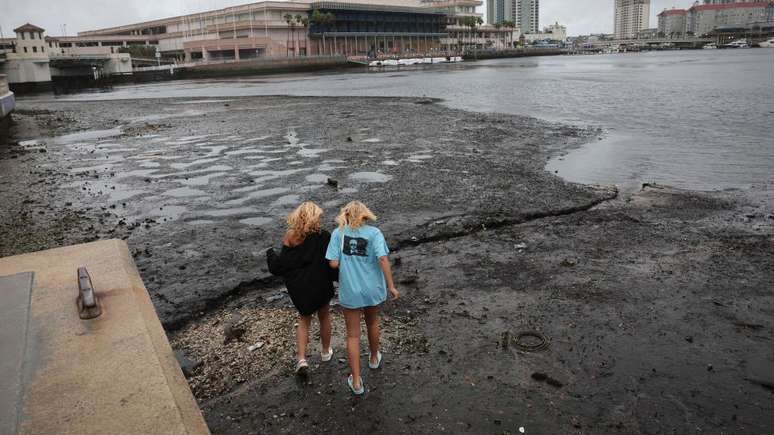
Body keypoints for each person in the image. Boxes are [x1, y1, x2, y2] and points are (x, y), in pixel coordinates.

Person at [325, 201, 399, 395]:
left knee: (352, 335)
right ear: (366, 215)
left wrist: (346, 265)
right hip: (372, 288)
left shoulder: (337, 234)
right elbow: (382, 259)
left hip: (350, 289)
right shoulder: (374, 233)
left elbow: (332, 263)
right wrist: (391, 285)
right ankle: (374, 358)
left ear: (346, 215)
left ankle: (356, 381)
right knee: (373, 323)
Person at [267, 202, 336, 376]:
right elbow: (331, 262)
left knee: (304, 321)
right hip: (321, 283)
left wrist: (270, 254)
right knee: (324, 316)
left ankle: (302, 359)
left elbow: (283, 264)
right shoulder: (324, 235)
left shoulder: (290, 235)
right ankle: (326, 351)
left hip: (301, 287)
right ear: (315, 217)